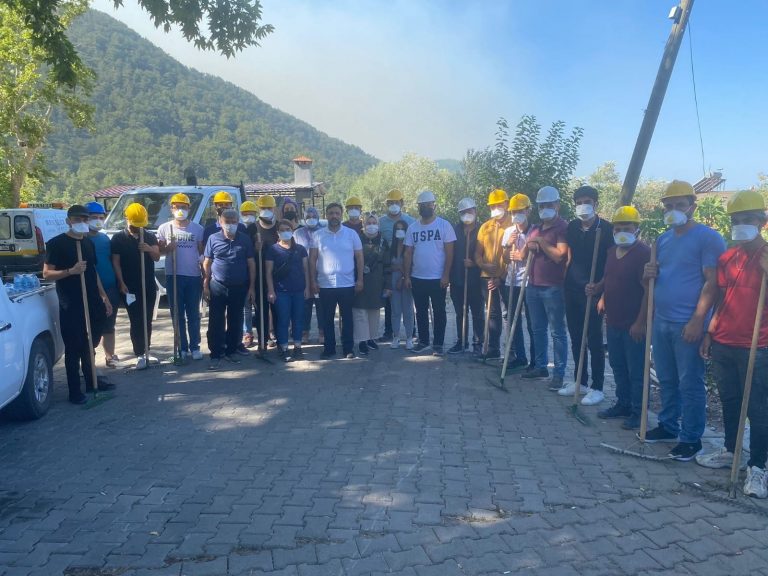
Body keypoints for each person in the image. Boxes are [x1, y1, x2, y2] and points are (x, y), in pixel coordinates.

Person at [642, 180, 726, 461]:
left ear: (693, 206)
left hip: (687, 323)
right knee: (666, 379)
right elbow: (660, 276)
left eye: (680, 205)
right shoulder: (662, 240)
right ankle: (668, 426)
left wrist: (698, 320)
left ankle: (691, 438)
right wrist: (649, 273)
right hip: (662, 320)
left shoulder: (708, 238)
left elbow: (712, 282)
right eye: (669, 206)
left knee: (690, 383)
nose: (673, 210)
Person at [697, 190, 768, 497]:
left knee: (759, 408)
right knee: (729, 400)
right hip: (724, 341)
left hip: (757, 345)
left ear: (762, 222)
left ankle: (758, 466)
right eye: (736, 220)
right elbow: (722, 298)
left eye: (747, 219)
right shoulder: (727, 257)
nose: (741, 225)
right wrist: (710, 331)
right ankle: (731, 450)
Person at [43, 205, 114, 404]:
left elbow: (93, 272)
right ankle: (74, 391)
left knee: (89, 344)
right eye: (77, 220)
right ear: (68, 221)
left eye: (85, 219)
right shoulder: (56, 244)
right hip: (71, 303)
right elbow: (47, 274)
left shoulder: (88, 243)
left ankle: (92, 382)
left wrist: (104, 296)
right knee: (74, 347)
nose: (82, 223)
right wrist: (71, 271)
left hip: (92, 300)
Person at [596, 206, 650, 430]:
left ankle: (638, 411)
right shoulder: (611, 251)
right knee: (617, 365)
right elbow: (609, 277)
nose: (621, 232)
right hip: (613, 319)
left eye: (626, 227)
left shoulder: (644, 253)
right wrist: (600, 293)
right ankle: (623, 404)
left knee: (636, 370)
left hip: (633, 324)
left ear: (636, 228)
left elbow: (648, 290)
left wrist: (640, 322)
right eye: (617, 228)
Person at [560, 185, 614, 405]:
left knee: (594, 339)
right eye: (579, 202)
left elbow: (612, 264)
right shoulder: (573, 227)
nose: (583, 206)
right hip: (572, 289)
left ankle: (597, 387)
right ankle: (580, 382)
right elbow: (569, 257)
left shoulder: (607, 229)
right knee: (576, 338)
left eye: (587, 202)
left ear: (595, 204)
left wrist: (600, 287)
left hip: (593, 291)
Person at [521, 186, 569, 389]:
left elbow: (559, 256)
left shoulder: (563, 228)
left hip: (553, 287)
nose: (545, 208)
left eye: (549, 205)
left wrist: (540, 242)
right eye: (541, 205)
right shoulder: (535, 228)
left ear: (557, 205)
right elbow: (523, 255)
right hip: (533, 286)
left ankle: (559, 373)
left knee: (557, 332)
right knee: (537, 329)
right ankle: (541, 366)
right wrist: (528, 245)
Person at [403, 190, 456, 356]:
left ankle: (438, 344)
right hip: (417, 277)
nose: (425, 207)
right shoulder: (412, 228)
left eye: (428, 204)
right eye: (422, 205)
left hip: (437, 278)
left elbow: (450, 253)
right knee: (420, 311)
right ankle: (424, 341)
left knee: (439, 311)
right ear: (418, 207)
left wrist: (446, 275)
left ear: (434, 205)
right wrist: (407, 276)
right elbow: (408, 253)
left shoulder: (444, 225)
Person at [203, 208, 256, 370]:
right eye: (227, 222)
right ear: (220, 222)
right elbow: (207, 263)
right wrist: (205, 284)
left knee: (236, 320)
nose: (230, 225)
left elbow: (251, 264)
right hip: (217, 286)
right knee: (216, 321)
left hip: (239, 286)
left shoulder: (245, 239)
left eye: (234, 222)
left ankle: (231, 350)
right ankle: (216, 353)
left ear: (238, 223)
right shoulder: (213, 238)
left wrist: (251, 287)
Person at [309, 202, 364, 359]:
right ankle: (329, 348)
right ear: (326, 215)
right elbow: (312, 259)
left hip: (347, 284)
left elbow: (359, 258)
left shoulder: (351, 234)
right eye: (331, 213)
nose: (334, 216)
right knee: (327, 319)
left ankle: (348, 348)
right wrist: (313, 281)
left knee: (347, 318)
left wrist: (360, 279)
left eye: (337, 213)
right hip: (325, 284)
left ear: (341, 215)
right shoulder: (318, 235)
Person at [111, 203, 160, 370]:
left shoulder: (149, 236)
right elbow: (116, 262)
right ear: (127, 219)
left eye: (140, 225)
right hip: (129, 286)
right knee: (136, 320)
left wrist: (148, 249)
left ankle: (147, 351)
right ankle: (139, 353)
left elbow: (156, 257)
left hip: (148, 285)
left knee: (147, 319)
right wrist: (121, 282)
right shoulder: (118, 238)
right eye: (135, 224)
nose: (138, 228)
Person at [157, 193, 205, 360]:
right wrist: (167, 248)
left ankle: (195, 347)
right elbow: (159, 251)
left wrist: (204, 274)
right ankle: (181, 347)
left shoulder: (197, 229)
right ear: (171, 208)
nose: (180, 210)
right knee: (177, 314)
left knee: (193, 314)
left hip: (193, 276)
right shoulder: (164, 228)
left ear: (189, 208)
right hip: (174, 275)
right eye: (177, 207)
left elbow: (201, 252)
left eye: (183, 207)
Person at [475, 189, 511, 361]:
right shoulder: (485, 227)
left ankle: (511, 351)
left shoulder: (512, 226)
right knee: (492, 313)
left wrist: (500, 277)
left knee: (507, 314)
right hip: (486, 276)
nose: (496, 208)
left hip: (506, 277)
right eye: (492, 206)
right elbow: (477, 254)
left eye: (499, 204)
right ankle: (493, 348)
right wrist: (483, 265)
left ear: (507, 204)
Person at [266, 219, 310, 362]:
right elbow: (268, 272)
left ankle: (298, 347)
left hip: (298, 290)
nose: (285, 232)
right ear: (278, 232)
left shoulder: (300, 249)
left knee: (298, 320)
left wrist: (307, 287)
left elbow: (305, 269)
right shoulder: (273, 250)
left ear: (292, 231)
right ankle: (284, 349)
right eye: (282, 230)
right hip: (281, 291)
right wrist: (271, 290)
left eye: (288, 229)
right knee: (283, 320)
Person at [501, 193, 535, 370]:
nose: (516, 215)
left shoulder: (535, 231)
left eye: (520, 211)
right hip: (511, 281)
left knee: (532, 323)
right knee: (513, 321)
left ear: (528, 211)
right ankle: (519, 356)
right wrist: (508, 245)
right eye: (513, 212)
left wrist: (523, 253)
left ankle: (535, 361)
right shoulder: (508, 232)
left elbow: (535, 255)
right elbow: (505, 259)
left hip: (529, 282)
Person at [85, 202, 120, 368]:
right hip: (91, 290)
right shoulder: (82, 240)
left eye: (101, 217)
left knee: (109, 324)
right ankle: (89, 361)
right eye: (94, 217)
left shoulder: (105, 238)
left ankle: (110, 356)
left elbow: (113, 261)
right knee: (91, 327)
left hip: (111, 287)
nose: (98, 220)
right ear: (86, 219)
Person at [378, 189, 416, 342]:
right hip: (390, 263)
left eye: (396, 202)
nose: (393, 205)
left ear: (402, 203)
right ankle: (390, 332)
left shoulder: (411, 221)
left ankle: (411, 333)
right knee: (391, 304)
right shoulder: (381, 222)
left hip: (407, 265)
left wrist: (406, 273)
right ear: (387, 204)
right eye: (391, 203)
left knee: (408, 305)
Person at [448, 197, 483, 355]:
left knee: (477, 313)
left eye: (469, 210)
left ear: (475, 211)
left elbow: (488, 255)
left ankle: (478, 343)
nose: (467, 214)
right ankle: (461, 341)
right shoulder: (454, 230)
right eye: (463, 212)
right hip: (457, 278)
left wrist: (474, 263)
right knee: (460, 312)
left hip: (476, 280)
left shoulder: (482, 230)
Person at [353, 213, 391, 355]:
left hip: (377, 281)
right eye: (368, 223)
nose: (371, 226)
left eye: (374, 223)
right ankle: (362, 340)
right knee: (360, 312)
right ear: (363, 225)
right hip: (360, 279)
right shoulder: (357, 239)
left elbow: (388, 265)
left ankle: (371, 338)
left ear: (378, 225)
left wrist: (388, 285)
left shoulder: (383, 242)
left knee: (374, 311)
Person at [253, 195, 280, 351]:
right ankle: (262, 342)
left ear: (274, 209)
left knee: (277, 310)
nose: (266, 211)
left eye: (269, 208)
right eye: (263, 208)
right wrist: (255, 248)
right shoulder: (253, 228)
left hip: (278, 276)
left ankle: (280, 341)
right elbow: (247, 253)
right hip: (259, 276)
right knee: (261, 311)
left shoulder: (280, 228)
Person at [295, 206, 324, 344]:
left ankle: (322, 332)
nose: (311, 219)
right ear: (304, 218)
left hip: (321, 274)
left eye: (314, 216)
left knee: (321, 306)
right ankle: (304, 333)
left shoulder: (324, 232)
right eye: (308, 217)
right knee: (305, 306)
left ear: (318, 217)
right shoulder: (298, 233)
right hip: (303, 275)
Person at [389, 219, 415, 350]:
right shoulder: (391, 246)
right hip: (393, 281)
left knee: (408, 310)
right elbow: (388, 265)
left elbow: (412, 264)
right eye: (397, 229)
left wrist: (404, 276)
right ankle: (396, 336)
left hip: (407, 280)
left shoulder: (410, 245)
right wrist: (397, 268)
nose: (400, 231)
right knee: (395, 310)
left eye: (402, 229)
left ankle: (409, 337)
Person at [240, 200, 260, 348]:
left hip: (259, 271)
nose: (248, 216)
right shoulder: (239, 228)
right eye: (245, 214)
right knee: (246, 306)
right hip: (242, 272)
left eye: (251, 213)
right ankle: (247, 333)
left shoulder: (258, 228)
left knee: (260, 305)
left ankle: (266, 333)